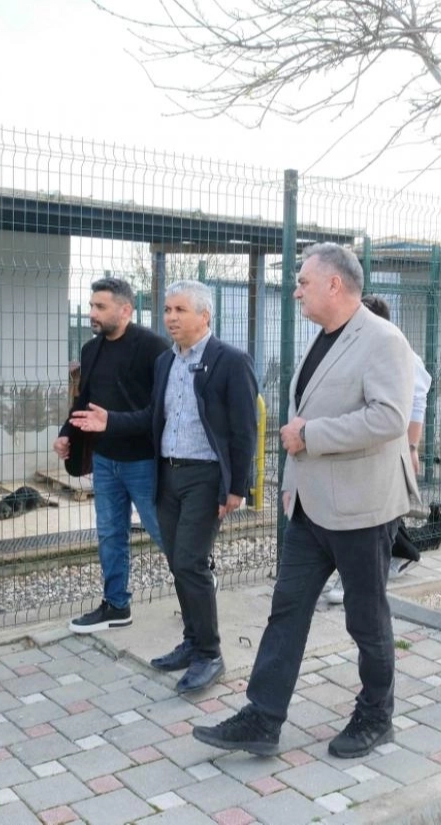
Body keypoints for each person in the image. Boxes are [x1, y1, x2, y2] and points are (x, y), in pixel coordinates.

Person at [192, 242, 418, 759]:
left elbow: (389, 418)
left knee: (366, 619)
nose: (295, 292)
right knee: (287, 610)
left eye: (303, 282)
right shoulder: (323, 337)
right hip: (310, 509)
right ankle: (263, 717)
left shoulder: (384, 340)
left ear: (334, 284)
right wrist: (294, 475)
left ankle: (376, 715)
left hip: (362, 509)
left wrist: (310, 436)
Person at [71, 279, 259, 694]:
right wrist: (110, 421)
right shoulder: (166, 362)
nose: (170, 318)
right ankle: (192, 642)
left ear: (204, 316)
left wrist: (237, 488)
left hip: (205, 476)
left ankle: (209, 653)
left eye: (180, 310)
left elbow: (245, 430)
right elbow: (152, 416)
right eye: (168, 310)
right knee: (178, 560)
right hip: (167, 474)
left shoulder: (230, 361)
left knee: (190, 562)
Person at [54, 277, 169, 633]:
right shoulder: (91, 350)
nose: (92, 313)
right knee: (110, 534)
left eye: (100, 307)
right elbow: (83, 400)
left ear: (125, 310)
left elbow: (161, 410)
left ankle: (197, 575)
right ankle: (117, 605)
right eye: (91, 306)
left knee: (162, 530)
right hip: (104, 461)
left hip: (143, 460)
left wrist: (113, 422)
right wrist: (66, 432)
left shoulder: (153, 347)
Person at [325, 293, 432, 604]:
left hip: (386, 451)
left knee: (376, 516)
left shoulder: (400, 354)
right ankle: (387, 562)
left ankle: (357, 578)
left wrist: (411, 448)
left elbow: (417, 404)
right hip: (355, 450)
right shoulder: (347, 350)